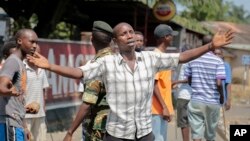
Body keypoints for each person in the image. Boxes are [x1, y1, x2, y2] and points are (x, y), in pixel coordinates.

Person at [27, 22, 233, 141]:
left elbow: (182, 57)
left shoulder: (150, 58)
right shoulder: (107, 63)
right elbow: (79, 72)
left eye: (131, 32)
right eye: (123, 33)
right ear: (115, 41)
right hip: (117, 135)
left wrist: (209, 46)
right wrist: (50, 66)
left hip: (144, 133)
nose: (129, 35)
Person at [63, 20, 114, 141]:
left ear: (92, 39)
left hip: (98, 128)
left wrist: (70, 132)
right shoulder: (120, 62)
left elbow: (87, 103)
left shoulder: (97, 66)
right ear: (110, 40)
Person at [185, 35, 226, 141]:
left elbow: (189, 80)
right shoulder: (218, 61)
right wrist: (221, 96)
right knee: (210, 134)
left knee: (196, 134)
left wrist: (196, 87)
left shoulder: (192, 59)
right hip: (212, 101)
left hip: (196, 100)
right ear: (213, 43)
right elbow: (218, 83)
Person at [0, 28, 38, 141]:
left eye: (36, 42)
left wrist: (25, 127)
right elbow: (1, 86)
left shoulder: (20, 63)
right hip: (9, 121)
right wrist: (9, 91)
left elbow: (18, 101)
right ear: (20, 41)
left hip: (17, 122)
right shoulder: (13, 61)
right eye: (32, 42)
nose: (35, 46)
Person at [151, 24, 176, 141]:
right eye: (171, 36)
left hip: (161, 109)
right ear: (166, 37)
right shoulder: (157, 56)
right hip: (157, 110)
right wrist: (164, 107)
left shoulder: (162, 56)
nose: (173, 38)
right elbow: (153, 84)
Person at [24, 45, 49, 141]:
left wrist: (44, 107)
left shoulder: (42, 69)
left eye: (38, 54)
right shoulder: (22, 67)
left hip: (40, 114)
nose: (36, 56)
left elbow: (43, 89)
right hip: (25, 114)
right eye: (33, 53)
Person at [172, 46, 192, 141]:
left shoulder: (187, 63)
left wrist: (176, 82)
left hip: (184, 96)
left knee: (184, 123)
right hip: (188, 95)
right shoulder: (187, 63)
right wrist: (176, 85)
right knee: (190, 122)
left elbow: (189, 79)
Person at [214, 48, 232, 141]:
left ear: (222, 55)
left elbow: (228, 83)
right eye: (215, 54)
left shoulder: (225, 66)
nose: (217, 56)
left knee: (220, 124)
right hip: (208, 99)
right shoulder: (211, 65)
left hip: (220, 100)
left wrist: (228, 99)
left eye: (219, 54)